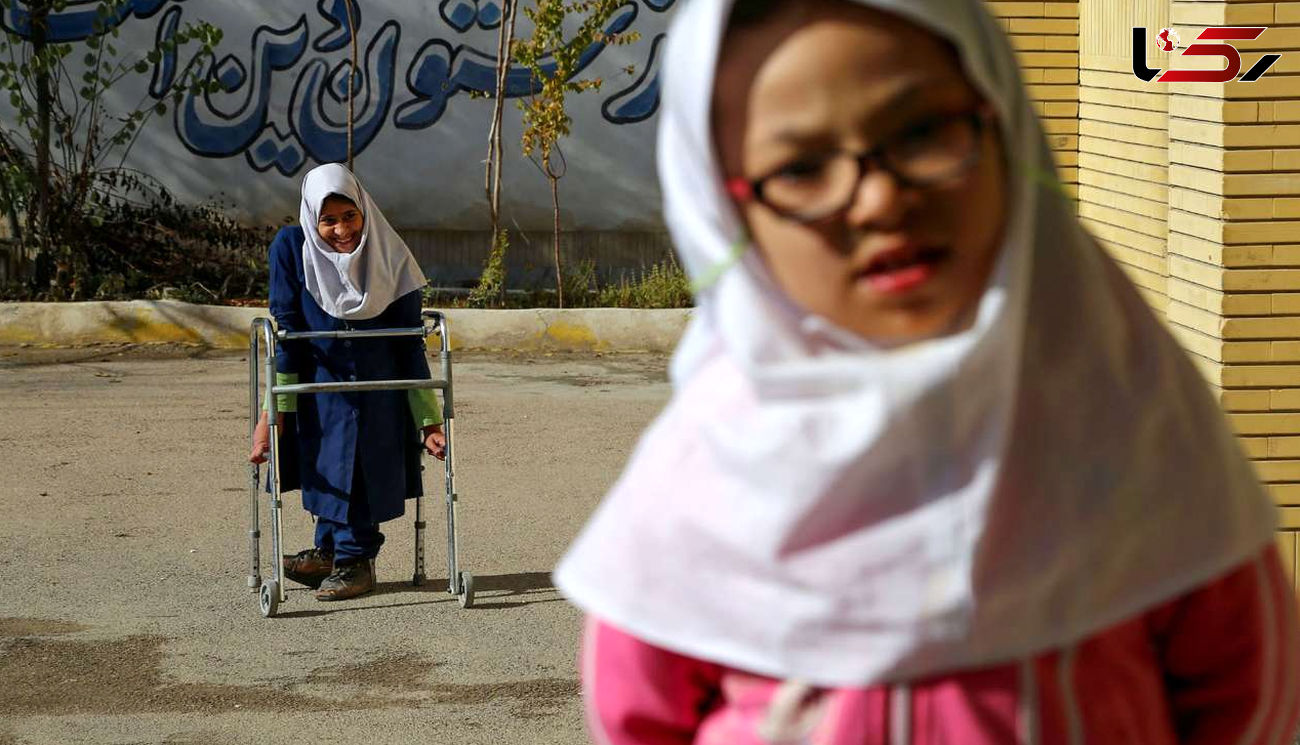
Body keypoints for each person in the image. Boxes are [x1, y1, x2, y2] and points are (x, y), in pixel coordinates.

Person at [554, 0, 1300, 742]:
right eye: (802, 168)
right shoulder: (696, 488)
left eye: (920, 132)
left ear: (1004, 127)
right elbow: (639, 718)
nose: (880, 199)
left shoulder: (1133, 428)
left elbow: (1247, 691)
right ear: (723, 213)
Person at [249, 162, 446, 602]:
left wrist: (429, 421)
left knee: (359, 464)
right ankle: (330, 550)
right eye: (328, 219)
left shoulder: (388, 253)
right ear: (311, 218)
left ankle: (356, 561)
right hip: (318, 384)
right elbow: (287, 334)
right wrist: (271, 415)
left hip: (379, 388)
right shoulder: (290, 246)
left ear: (364, 211)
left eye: (350, 216)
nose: (342, 230)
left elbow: (408, 345)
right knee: (325, 467)